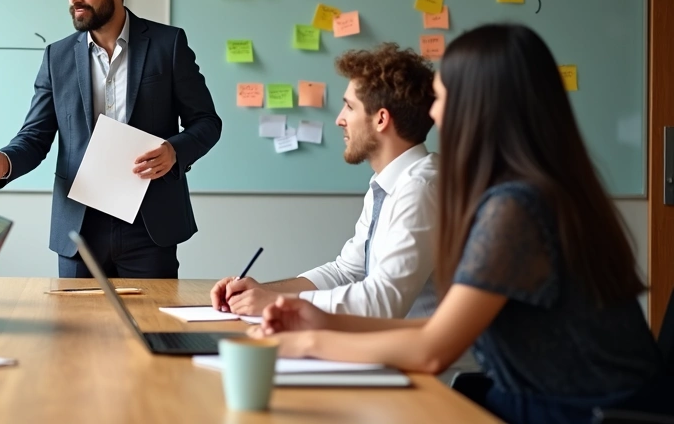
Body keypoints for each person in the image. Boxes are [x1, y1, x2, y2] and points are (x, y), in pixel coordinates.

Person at [250, 24, 668, 423]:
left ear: (477, 107)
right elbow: (440, 327)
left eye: (441, 97)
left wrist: (306, 342)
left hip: (572, 413)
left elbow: (434, 350)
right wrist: (321, 320)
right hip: (545, 401)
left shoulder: (517, 208)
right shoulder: (537, 191)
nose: (432, 112)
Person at [0, 0, 221, 279]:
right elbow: (36, 135)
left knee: (151, 332)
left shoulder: (168, 45)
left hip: (149, 227)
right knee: (76, 332)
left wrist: (174, 151)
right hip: (79, 228)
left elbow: (207, 122)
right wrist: (6, 161)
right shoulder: (57, 57)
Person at [211, 44, 440, 319]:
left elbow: (384, 301)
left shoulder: (421, 188)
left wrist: (276, 303)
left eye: (349, 107)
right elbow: (346, 271)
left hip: (427, 359)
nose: (339, 119)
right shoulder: (388, 183)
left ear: (381, 119)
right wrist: (260, 293)